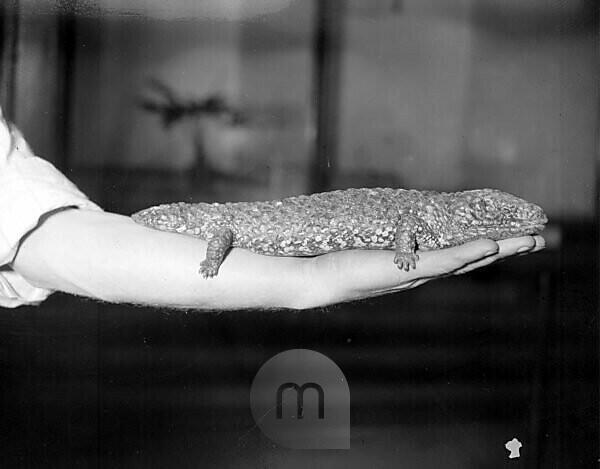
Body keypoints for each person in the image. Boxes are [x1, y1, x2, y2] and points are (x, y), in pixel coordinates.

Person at [0, 109, 544, 309]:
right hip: (296, 230)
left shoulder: (453, 212)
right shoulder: (214, 226)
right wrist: (306, 283)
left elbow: (30, 227)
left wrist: (305, 286)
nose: (156, 225)